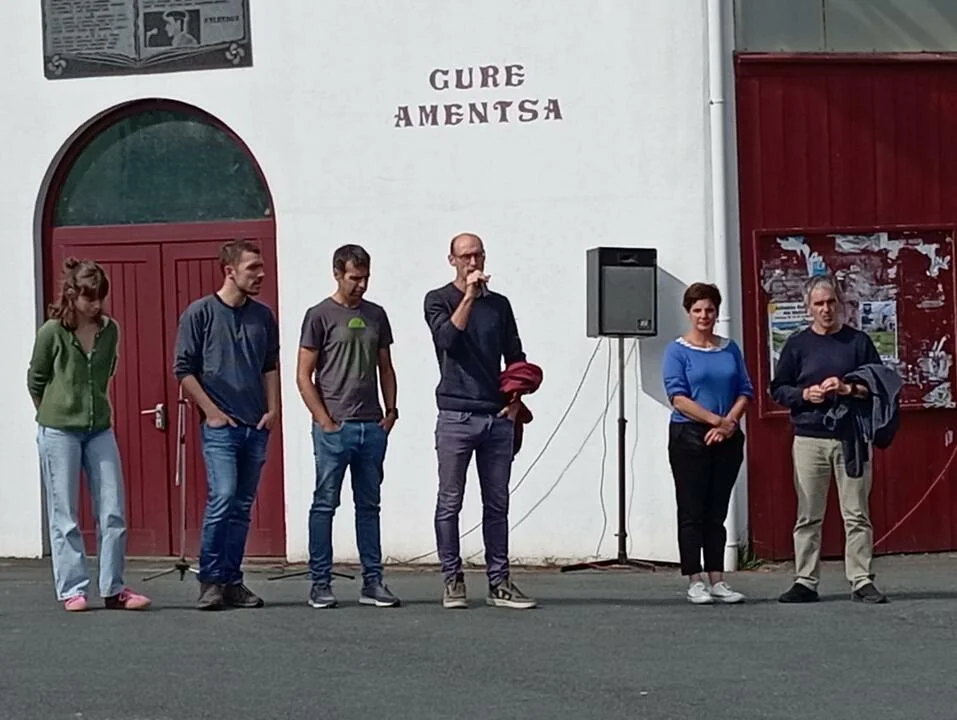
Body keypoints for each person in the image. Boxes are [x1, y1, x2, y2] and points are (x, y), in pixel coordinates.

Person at [27, 257, 152, 612]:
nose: (96, 304)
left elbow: (107, 372)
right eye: (88, 297)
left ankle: (114, 588)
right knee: (65, 513)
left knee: (113, 510)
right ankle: (73, 589)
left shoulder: (110, 331)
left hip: (99, 429)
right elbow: (35, 379)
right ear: (72, 294)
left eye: (100, 297)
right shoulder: (52, 332)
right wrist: (53, 413)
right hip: (58, 431)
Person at [424, 232, 537, 610]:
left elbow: (515, 356)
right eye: (465, 256)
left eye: (478, 255)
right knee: (449, 501)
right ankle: (452, 578)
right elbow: (447, 340)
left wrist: (516, 401)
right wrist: (470, 297)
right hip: (455, 415)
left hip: (496, 416)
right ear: (452, 260)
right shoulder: (438, 299)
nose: (473, 263)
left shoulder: (500, 305)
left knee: (497, 502)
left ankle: (499, 581)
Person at [173, 239, 279, 611]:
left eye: (261, 267)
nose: (261, 274)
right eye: (252, 268)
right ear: (229, 271)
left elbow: (269, 364)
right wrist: (213, 413)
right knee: (223, 497)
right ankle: (210, 580)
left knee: (242, 506)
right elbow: (183, 370)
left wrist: (273, 408)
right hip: (221, 428)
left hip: (255, 425)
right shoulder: (199, 313)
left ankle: (232, 581)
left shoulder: (263, 316)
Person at [770, 274, 887, 604]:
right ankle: (805, 580)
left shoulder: (858, 342)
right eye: (819, 304)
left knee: (856, 513)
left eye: (831, 302)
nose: (826, 309)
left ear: (841, 304)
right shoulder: (797, 345)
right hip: (809, 437)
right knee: (808, 513)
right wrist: (804, 394)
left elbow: (877, 385)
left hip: (852, 438)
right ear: (808, 308)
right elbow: (778, 388)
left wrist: (847, 388)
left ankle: (861, 580)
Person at [296, 244, 400, 609]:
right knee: (325, 504)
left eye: (366, 277)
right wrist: (324, 420)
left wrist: (391, 412)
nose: (362, 285)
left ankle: (373, 582)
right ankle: (320, 583)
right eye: (355, 278)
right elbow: (303, 374)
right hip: (335, 427)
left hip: (371, 425)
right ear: (337, 274)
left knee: (369, 506)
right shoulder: (319, 315)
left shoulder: (376, 315)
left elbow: (385, 366)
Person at [662, 282, 752, 605]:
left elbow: (745, 390)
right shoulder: (677, 351)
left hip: (727, 437)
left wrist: (728, 425)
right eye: (698, 310)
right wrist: (715, 421)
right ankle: (695, 579)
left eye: (710, 310)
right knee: (692, 509)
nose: (704, 316)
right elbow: (678, 397)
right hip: (689, 436)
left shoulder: (729, 349)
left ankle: (718, 578)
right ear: (689, 313)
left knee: (717, 510)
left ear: (717, 312)